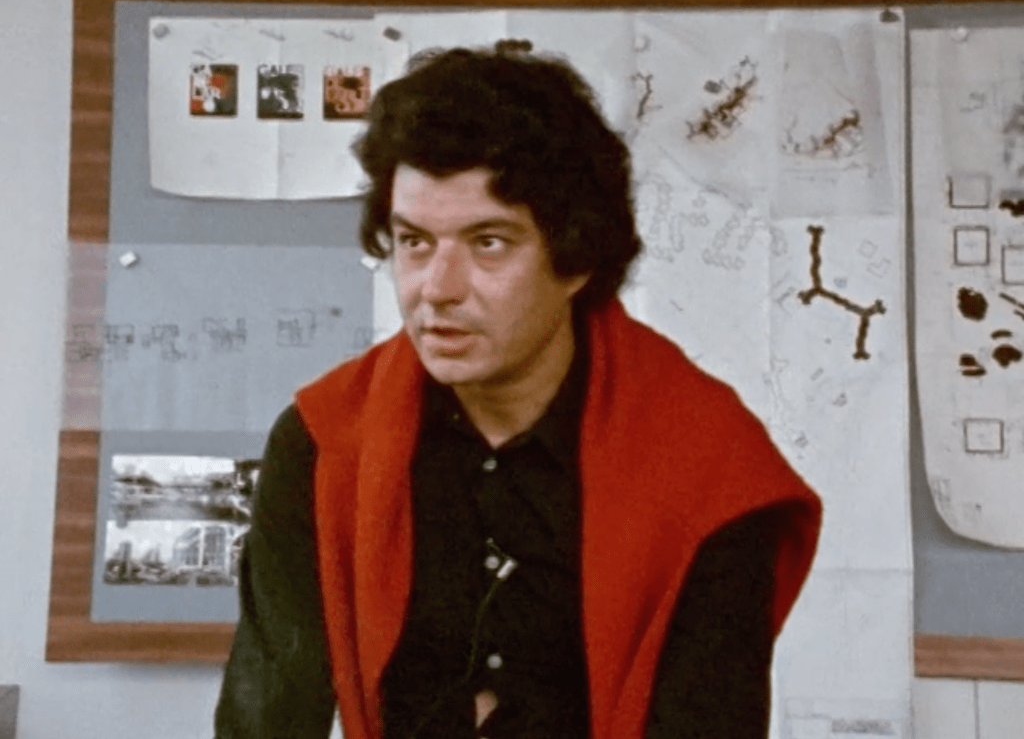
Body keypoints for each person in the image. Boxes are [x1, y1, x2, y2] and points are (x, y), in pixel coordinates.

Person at [214, 45, 821, 739]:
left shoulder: (709, 466)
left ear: (576, 258)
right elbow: (263, 720)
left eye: (489, 243)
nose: (436, 289)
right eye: (414, 241)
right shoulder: (324, 441)